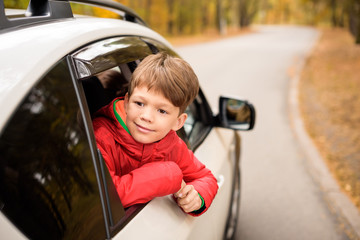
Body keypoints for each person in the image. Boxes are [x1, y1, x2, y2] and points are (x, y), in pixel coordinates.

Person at [92, 52, 218, 216]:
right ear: (127, 101)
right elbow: (106, 197)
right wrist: (167, 175)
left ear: (178, 122)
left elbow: (206, 178)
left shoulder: (171, 145)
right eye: (140, 103)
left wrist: (196, 197)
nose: (146, 116)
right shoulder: (101, 137)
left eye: (162, 111)